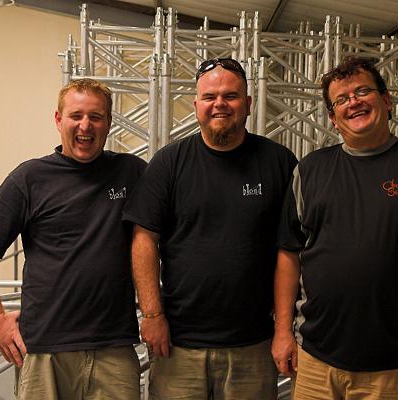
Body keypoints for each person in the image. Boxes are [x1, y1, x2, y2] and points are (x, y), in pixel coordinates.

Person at [272, 56, 398, 399]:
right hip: (315, 362)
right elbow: (288, 255)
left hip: (392, 365)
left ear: (386, 100)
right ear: (333, 118)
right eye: (341, 99)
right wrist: (282, 332)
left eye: (363, 91)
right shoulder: (309, 171)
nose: (353, 102)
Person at [123, 58, 297, 399]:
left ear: (248, 103)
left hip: (253, 344)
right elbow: (143, 240)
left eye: (231, 96)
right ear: (196, 105)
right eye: (209, 97)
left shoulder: (279, 162)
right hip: (179, 345)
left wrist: (283, 329)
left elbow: (289, 252)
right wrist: (152, 314)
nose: (220, 104)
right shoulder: (169, 163)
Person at [0, 78, 146, 400]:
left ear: (109, 123)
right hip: (45, 349)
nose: (85, 126)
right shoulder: (29, 178)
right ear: (58, 119)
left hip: (114, 348)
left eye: (96, 117)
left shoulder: (132, 173)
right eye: (76, 115)